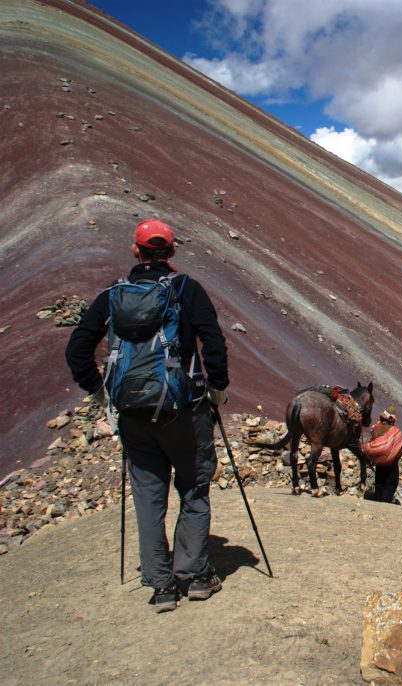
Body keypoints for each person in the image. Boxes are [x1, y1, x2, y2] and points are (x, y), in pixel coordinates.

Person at [65, 219, 228, 613]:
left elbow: (77, 349)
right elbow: (213, 340)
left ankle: (161, 585)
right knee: (193, 489)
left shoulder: (112, 295)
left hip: (133, 415)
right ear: (171, 253)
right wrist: (217, 389)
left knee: (148, 497)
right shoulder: (187, 289)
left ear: (135, 251)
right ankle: (195, 577)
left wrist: (99, 390)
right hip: (184, 412)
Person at [366, 406, 402, 503]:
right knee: (389, 488)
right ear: (393, 421)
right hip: (391, 468)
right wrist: (391, 455)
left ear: (382, 418)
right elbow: (401, 450)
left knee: (379, 489)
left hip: (379, 466)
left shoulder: (375, 429)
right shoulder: (396, 432)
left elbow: (372, 445)